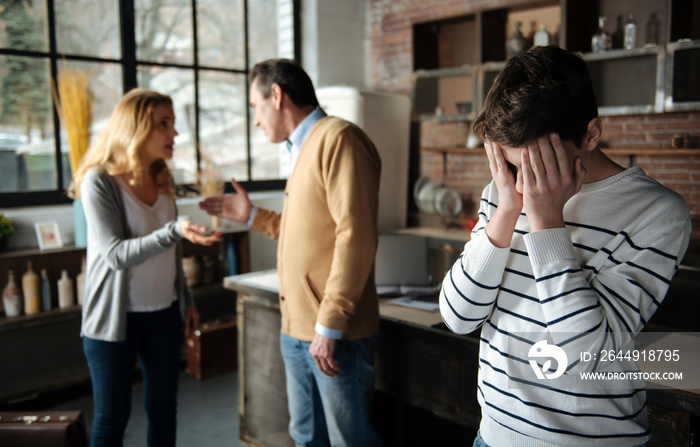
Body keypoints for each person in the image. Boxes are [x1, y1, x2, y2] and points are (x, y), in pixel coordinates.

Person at [439, 45, 691, 446]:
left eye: (538, 168)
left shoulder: (658, 214)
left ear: (591, 134)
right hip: (492, 437)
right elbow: (458, 317)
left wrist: (545, 221)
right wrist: (506, 212)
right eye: (511, 166)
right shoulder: (503, 191)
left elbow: (588, 355)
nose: (522, 184)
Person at [199, 58, 383, 446]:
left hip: (334, 334)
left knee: (350, 441)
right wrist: (251, 215)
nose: (255, 119)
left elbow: (356, 235)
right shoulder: (301, 147)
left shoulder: (338, 138)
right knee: (305, 438)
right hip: (297, 329)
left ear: (277, 95)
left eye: (255, 107)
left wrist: (328, 324)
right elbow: (306, 233)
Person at [69, 88, 221, 447]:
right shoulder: (99, 181)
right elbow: (115, 254)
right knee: (112, 420)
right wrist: (173, 231)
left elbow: (169, 255)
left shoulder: (163, 179)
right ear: (135, 129)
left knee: (164, 409)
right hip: (113, 321)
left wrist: (187, 301)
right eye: (163, 124)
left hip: (164, 315)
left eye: (173, 124)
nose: (174, 134)